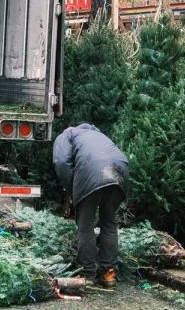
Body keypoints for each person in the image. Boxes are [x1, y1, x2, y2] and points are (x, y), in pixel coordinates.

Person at [52, 123, 130, 289]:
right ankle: (108, 273)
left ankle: (88, 273)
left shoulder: (67, 135)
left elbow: (61, 163)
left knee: (85, 225)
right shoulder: (99, 135)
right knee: (109, 223)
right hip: (120, 172)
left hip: (91, 171)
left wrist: (72, 190)